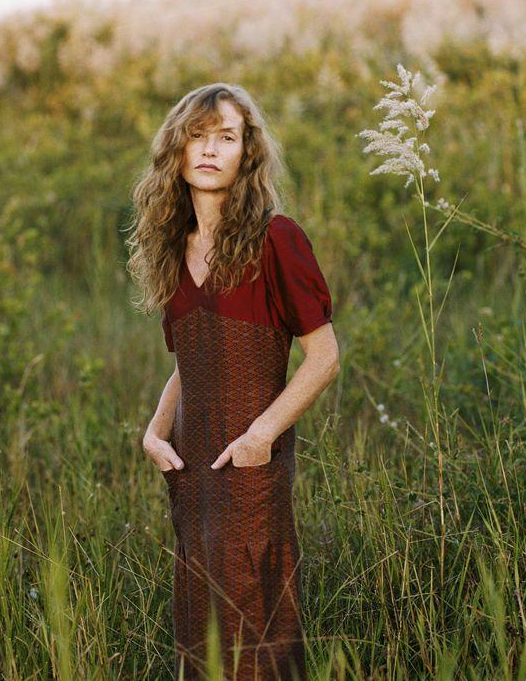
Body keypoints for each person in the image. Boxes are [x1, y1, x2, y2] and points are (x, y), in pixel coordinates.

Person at [126, 83, 341, 680]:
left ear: (248, 152)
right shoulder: (176, 248)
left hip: (250, 459)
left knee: (255, 613)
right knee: (199, 618)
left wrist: (260, 437)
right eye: (197, 135)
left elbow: (323, 357)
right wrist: (153, 433)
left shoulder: (277, 239)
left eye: (227, 137)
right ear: (177, 149)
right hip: (189, 463)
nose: (210, 150)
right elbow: (186, 364)